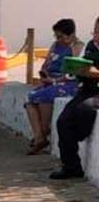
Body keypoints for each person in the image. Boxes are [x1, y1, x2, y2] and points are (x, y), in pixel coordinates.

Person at [51, 17, 99, 180]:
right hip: (86, 89)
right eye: (95, 32)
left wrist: (95, 73)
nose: (96, 36)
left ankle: (78, 135)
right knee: (62, 121)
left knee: (84, 111)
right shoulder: (90, 46)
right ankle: (71, 167)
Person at [26, 19, 83, 155]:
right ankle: (39, 136)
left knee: (44, 97)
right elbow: (47, 63)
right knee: (30, 100)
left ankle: (42, 134)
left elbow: (73, 74)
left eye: (61, 36)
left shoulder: (77, 47)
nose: (59, 39)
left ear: (71, 35)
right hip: (50, 81)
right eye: (57, 36)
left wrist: (54, 80)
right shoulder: (55, 45)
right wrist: (45, 74)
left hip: (67, 83)